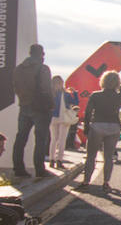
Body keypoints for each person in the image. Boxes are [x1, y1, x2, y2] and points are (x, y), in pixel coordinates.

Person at [81, 71, 121, 191]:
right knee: (108, 157)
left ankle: (86, 181)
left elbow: (88, 112)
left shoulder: (95, 95)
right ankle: (106, 182)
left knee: (91, 155)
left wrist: (86, 126)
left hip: (98, 125)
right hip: (113, 126)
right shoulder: (119, 97)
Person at [11, 44, 53, 177]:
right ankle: (39, 169)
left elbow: (15, 86)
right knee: (41, 139)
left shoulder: (19, 69)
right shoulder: (43, 68)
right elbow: (46, 89)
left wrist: (23, 100)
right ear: (41, 54)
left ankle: (18, 168)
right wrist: (50, 105)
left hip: (24, 106)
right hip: (40, 108)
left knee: (21, 138)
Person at [49, 76, 78, 169]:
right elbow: (75, 102)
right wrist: (75, 93)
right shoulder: (66, 94)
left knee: (53, 139)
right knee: (62, 140)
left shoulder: (50, 93)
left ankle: (51, 159)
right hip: (64, 119)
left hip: (52, 118)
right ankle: (59, 160)